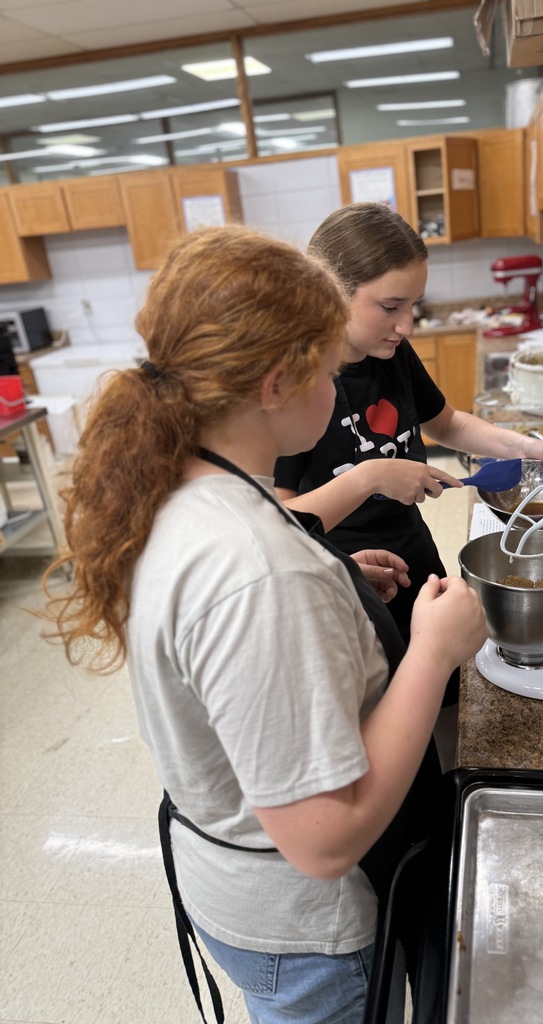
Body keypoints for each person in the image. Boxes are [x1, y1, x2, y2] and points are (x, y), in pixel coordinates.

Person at [39, 225, 487, 1024]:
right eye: (329, 369)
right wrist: (433, 650)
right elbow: (322, 839)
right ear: (277, 383)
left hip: (238, 888)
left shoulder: (186, 489)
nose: (340, 385)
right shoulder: (255, 571)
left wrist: (341, 581)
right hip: (308, 929)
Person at [275, 202, 543, 658]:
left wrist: (526, 447)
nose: (407, 325)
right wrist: (370, 476)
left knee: (448, 679)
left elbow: (447, 423)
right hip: (351, 573)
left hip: (414, 550)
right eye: (392, 306)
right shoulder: (301, 385)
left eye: (414, 305)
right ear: (330, 291)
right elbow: (281, 519)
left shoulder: (392, 352)